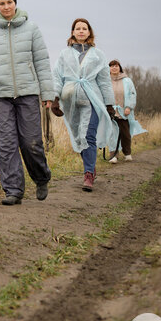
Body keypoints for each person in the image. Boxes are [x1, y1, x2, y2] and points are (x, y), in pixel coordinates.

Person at [0, 0, 54, 205]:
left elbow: (42, 62)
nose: (6, 6)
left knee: (31, 142)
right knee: (6, 143)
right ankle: (13, 190)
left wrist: (47, 92)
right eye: (2, 3)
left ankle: (41, 177)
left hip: (28, 93)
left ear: (15, 3)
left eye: (9, 2)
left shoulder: (32, 29)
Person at [51, 18, 118, 192]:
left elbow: (104, 80)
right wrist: (55, 98)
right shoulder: (64, 54)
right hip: (70, 101)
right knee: (79, 138)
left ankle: (88, 173)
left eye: (84, 28)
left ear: (89, 32)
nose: (81, 31)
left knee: (89, 136)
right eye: (77, 28)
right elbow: (58, 76)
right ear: (72, 32)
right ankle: (91, 166)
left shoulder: (98, 55)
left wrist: (109, 104)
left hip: (92, 99)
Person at [108, 59, 147, 163]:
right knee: (112, 134)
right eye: (112, 66)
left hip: (124, 111)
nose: (114, 68)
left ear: (120, 67)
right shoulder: (106, 81)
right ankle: (114, 155)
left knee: (125, 133)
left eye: (116, 66)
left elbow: (132, 94)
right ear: (109, 69)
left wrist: (129, 107)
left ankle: (127, 153)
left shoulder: (127, 80)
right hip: (110, 111)